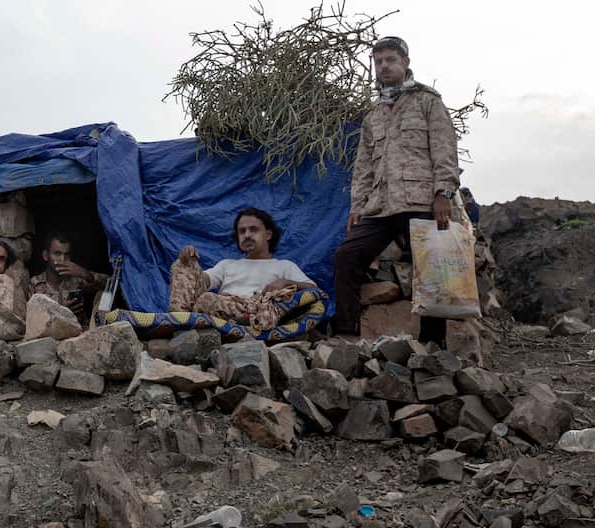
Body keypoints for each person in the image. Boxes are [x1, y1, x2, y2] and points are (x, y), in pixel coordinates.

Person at [333, 36, 459, 337]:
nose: (384, 66)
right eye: (378, 62)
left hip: (420, 201)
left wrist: (444, 193)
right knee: (346, 256)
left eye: (390, 60)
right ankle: (347, 336)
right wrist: (357, 206)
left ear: (406, 63)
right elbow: (363, 166)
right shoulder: (373, 114)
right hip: (380, 206)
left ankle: (432, 346)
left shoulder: (428, 101)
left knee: (428, 267)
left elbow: (444, 149)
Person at [172, 207, 320, 331]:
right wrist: (188, 261)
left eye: (253, 230)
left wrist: (285, 282)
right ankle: (179, 321)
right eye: (242, 231)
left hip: (259, 310)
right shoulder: (227, 264)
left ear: (268, 234)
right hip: (222, 305)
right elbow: (200, 282)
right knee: (183, 265)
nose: (247, 235)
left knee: (206, 300)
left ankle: (249, 321)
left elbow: (314, 290)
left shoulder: (284, 265)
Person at [29, 234, 107, 317]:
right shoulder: (35, 283)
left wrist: (85, 273)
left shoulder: (76, 279)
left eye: (67, 255)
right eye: (57, 254)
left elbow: (110, 284)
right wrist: (62, 312)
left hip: (80, 328)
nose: (63, 259)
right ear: (45, 255)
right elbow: (32, 318)